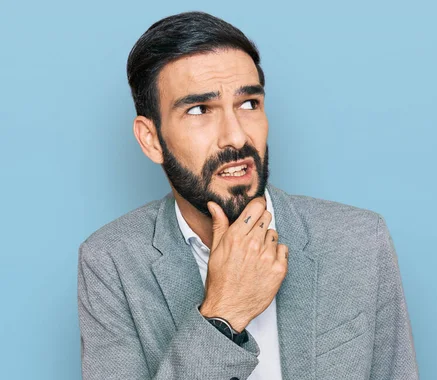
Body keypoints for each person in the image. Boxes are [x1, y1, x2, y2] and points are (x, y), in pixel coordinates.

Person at [77, 11, 419, 380]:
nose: (237, 137)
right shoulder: (111, 261)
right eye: (199, 110)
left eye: (249, 104)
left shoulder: (360, 240)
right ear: (151, 139)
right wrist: (223, 314)